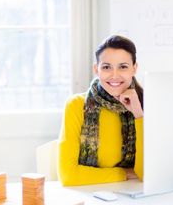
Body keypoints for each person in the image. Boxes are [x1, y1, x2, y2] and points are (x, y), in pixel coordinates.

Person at [58, 35, 143, 186]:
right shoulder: (77, 105)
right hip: (90, 198)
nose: (114, 75)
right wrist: (123, 173)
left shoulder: (146, 104)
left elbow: (145, 173)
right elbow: (68, 176)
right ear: (96, 69)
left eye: (123, 67)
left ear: (134, 68)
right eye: (106, 67)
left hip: (134, 199)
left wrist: (138, 115)